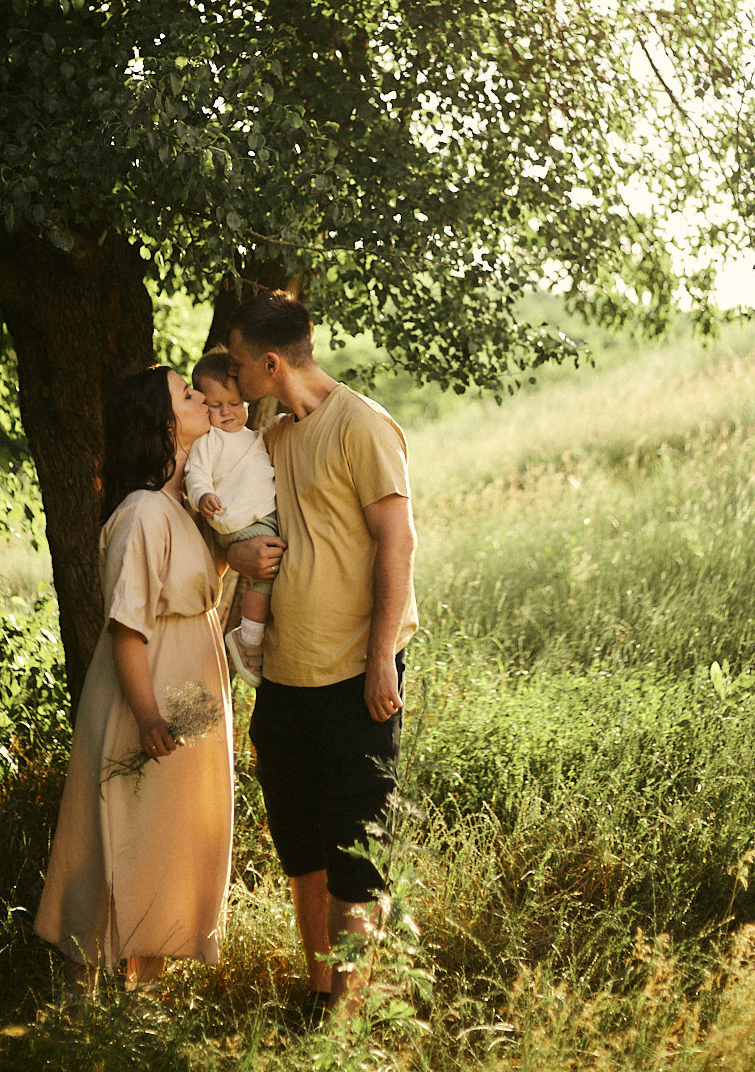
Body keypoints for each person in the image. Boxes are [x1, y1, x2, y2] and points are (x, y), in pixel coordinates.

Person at [224, 291, 418, 1017]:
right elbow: (255, 528)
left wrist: (380, 661)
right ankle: (317, 999)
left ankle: (348, 1012)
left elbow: (397, 542)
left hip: (354, 678)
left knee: (355, 862)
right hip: (285, 679)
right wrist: (240, 551)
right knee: (302, 854)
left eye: (240, 364)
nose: (234, 374)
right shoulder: (274, 436)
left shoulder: (361, 424)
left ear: (271, 363)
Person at [34, 366, 235, 991]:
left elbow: (196, 590)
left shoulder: (177, 507)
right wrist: (148, 715)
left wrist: (235, 555)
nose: (203, 397)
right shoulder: (142, 511)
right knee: (123, 839)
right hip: (142, 702)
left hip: (188, 703)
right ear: (163, 423)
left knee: (167, 842)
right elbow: (128, 626)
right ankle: (78, 1007)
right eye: (187, 393)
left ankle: (143, 995)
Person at [186, 351, 279, 688]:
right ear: (202, 406)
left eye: (234, 403)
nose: (226, 412)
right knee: (267, 574)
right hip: (237, 521)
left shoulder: (255, 438)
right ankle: (248, 639)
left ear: (248, 404)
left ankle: (264, 632)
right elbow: (196, 476)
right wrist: (203, 496)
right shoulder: (207, 442)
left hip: (263, 516)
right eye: (215, 405)